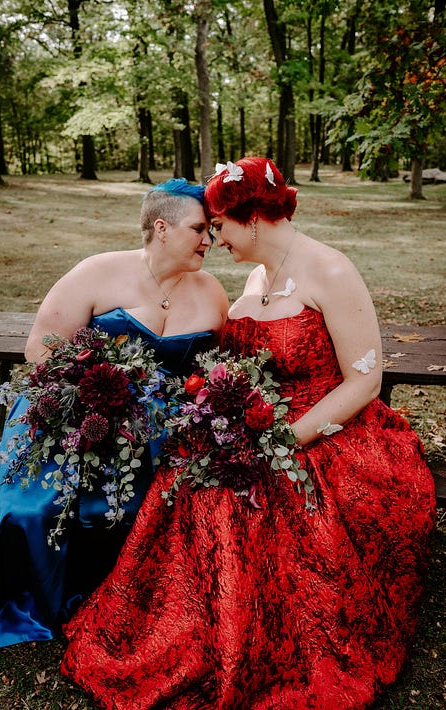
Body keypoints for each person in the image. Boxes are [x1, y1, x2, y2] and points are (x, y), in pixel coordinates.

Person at [60, 158, 436, 709]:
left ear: (252, 217)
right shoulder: (258, 277)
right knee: (193, 486)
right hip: (254, 426)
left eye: (219, 225)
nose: (213, 238)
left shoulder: (330, 271)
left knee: (254, 507)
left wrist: (286, 440)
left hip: (330, 432)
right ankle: (189, 630)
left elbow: (365, 381)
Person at [0, 178, 228, 651]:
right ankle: (31, 590)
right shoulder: (96, 272)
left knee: (151, 508)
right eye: (200, 230)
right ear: (162, 228)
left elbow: (211, 374)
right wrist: (93, 403)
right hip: (76, 414)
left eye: (211, 231)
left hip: (158, 431)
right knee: (35, 506)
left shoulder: (212, 293)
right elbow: (40, 352)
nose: (210, 241)